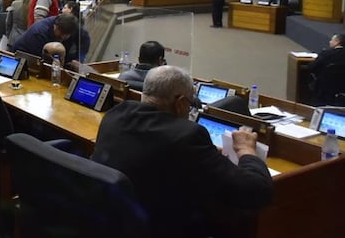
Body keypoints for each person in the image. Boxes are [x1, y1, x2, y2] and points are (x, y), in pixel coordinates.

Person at [92, 66, 273, 238]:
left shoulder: (115, 114)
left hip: (113, 223)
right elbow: (255, 191)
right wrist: (246, 150)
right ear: (180, 102)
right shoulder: (187, 136)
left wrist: (207, 153)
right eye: (190, 104)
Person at [11, 14, 82, 70]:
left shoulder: (66, 25)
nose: (63, 37)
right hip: (22, 59)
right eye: (61, 34)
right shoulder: (39, 33)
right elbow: (41, 61)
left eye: (66, 35)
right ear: (55, 26)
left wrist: (71, 61)